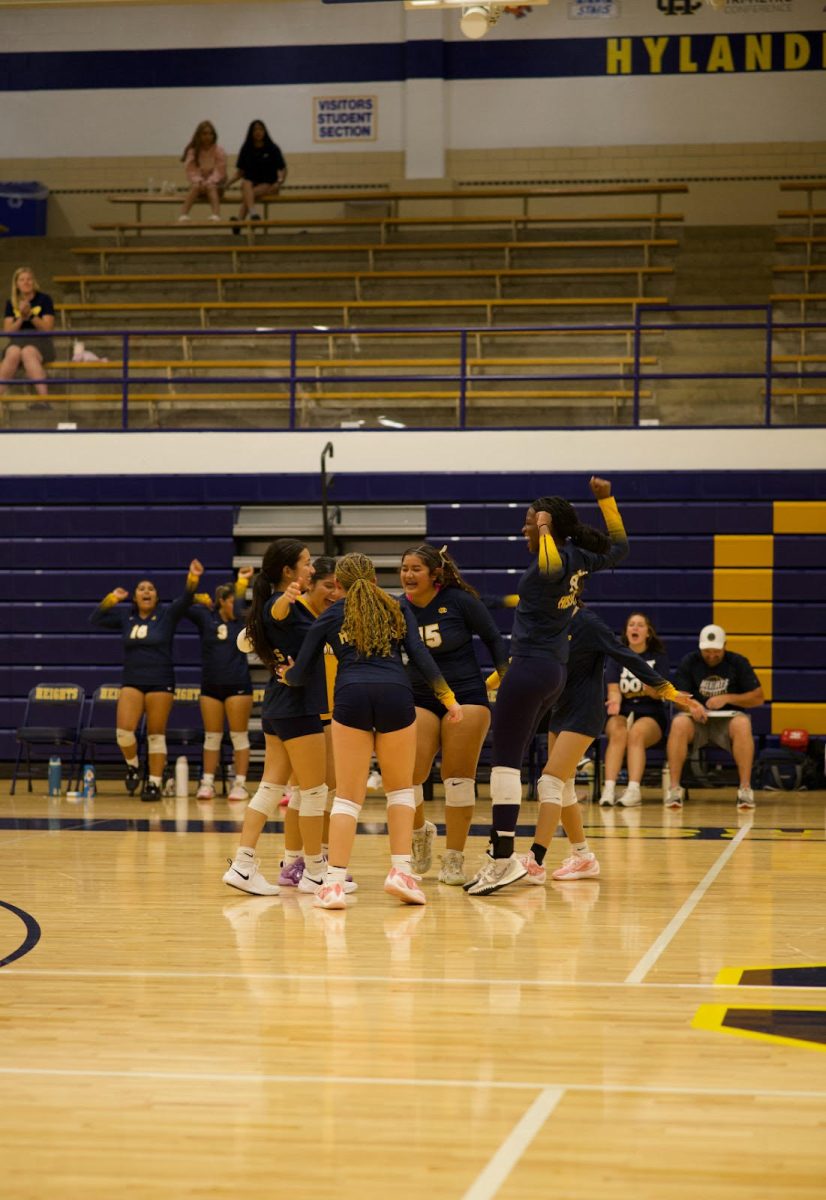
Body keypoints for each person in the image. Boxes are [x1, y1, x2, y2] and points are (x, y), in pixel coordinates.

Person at [465, 476, 629, 897]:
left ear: (547, 526)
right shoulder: (578, 557)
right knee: (515, 763)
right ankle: (502, 854)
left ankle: (503, 858)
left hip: (531, 667)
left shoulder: (552, 562)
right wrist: (607, 502)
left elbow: (550, 566)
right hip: (553, 672)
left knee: (503, 763)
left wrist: (541, 530)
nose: (524, 529)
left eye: (529, 522)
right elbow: (621, 549)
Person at [281, 552, 463, 910]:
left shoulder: (331, 613)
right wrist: (449, 699)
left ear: (338, 584)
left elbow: (301, 671)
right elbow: (421, 656)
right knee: (400, 792)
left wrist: (285, 674)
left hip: (351, 697)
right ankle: (402, 873)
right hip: (396, 693)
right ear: (375, 579)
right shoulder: (397, 607)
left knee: (348, 798)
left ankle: (333, 884)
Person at [514, 604, 689, 887]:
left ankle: (535, 860)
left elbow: (627, 657)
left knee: (550, 782)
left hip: (584, 712)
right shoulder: (546, 620)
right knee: (566, 786)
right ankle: (583, 856)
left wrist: (665, 689)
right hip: (560, 710)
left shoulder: (588, 623)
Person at [222, 539, 335, 897]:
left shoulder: (279, 604)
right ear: (288, 571)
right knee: (315, 792)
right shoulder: (278, 603)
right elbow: (277, 613)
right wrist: (287, 598)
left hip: (279, 706)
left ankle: (243, 864)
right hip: (297, 708)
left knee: (271, 788)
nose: (311, 568)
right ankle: (316, 872)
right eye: (304, 563)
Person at [398, 543, 508, 885]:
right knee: (409, 773)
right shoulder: (397, 608)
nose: (408, 574)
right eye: (404, 568)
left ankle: (455, 858)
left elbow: (494, 638)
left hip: (467, 695)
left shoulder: (460, 602)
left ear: (435, 575)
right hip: (419, 696)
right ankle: (420, 832)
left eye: (416, 568)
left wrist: (502, 675)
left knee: (457, 777)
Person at [89, 560, 204, 801]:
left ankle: (154, 782)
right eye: (141, 588)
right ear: (135, 597)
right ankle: (133, 765)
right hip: (132, 680)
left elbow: (185, 600)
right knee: (123, 732)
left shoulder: (167, 615)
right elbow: (96, 618)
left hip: (161, 680)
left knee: (155, 734)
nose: (146, 591)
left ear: (156, 596)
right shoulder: (125, 618)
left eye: (151, 588)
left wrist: (192, 578)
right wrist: (112, 598)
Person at [278, 556, 345, 887]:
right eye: (327, 586)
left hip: (333, 713)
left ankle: (313, 858)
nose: (334, 593)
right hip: (306, 714)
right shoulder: (298, 614)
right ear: (311, 583)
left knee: (323, 792)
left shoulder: (337, 617)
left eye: (338, 586)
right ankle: (297, 861)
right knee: (306, 793)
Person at [665, 623, 764, 812]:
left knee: (743, 723)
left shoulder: (738, 662)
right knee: (678, 722)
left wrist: (728, 698)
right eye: (707, 651)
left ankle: (745, 788)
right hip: (697, 721)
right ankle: (674, 788)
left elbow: (758, 697)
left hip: (728, 721)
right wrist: (692, 704)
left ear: (724, 646)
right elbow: (677, 696)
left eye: (716, 651)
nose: (711, 655)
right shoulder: (690, 661)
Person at [187, 566, 254, 802]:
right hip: (210, 686)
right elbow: (182, 604)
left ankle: (241, 784)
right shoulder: (207, 618)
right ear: (222, 602)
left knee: (239, 736)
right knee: (212, 737)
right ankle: (207, 782)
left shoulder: (242, 622)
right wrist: (196, 593)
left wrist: (243, 582)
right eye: (232, 600)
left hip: (238, 685)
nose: (236, 604)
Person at [599, 611, 672, 808]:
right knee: (617, 731)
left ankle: (633, 789)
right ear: (626, 631)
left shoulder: (658, 657)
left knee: (636, 733)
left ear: (648, 632)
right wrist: (614, 701)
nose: (635, 628)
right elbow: (613, 689)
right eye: (632, 625)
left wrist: (652, 689)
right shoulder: (618, 656)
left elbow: (662, 693)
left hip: (651, 713)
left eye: (640, 625)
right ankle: (609, 788)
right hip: (624, 711)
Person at [0, 266, 55, 400]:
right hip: (18, 340)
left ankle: (44, 400)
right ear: (17, 284)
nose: (26, 282)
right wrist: (21, 319)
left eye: (29, 279)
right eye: (22, 280)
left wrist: (30, 315)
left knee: (28, 352)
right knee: (13, 351)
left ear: (34, 281)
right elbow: (7, 331)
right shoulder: (11, 302)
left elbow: (48, 329)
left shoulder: (45, 299)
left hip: (40, 341)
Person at [228, 119, 287, 232]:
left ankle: (240, 220)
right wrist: (226, 185)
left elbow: (282, 168)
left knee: (249, 193)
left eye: (260, 129)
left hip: (269, 184)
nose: (258, 132)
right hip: (251, 184)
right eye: (255, 129)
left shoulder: (272, 148)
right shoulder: (246, 148)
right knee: (246, 184)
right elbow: (240, 173)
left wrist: (279, 183)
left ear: (264, 131)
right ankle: (252, 214)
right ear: (251, 132)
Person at [178, 121, 228, 222]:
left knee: (211, 187)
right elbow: (191, 170)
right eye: (204, 133)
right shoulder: (193, 151)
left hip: (216, 185)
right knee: (196, 187)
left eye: (210, 133)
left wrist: (210, 181)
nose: (207, 136)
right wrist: (199, 181)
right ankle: (183, 214)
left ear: (214, 135)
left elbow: (220, 169)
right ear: (199, 135)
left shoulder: (218, 150)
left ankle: (216, 214)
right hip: (199, 185)